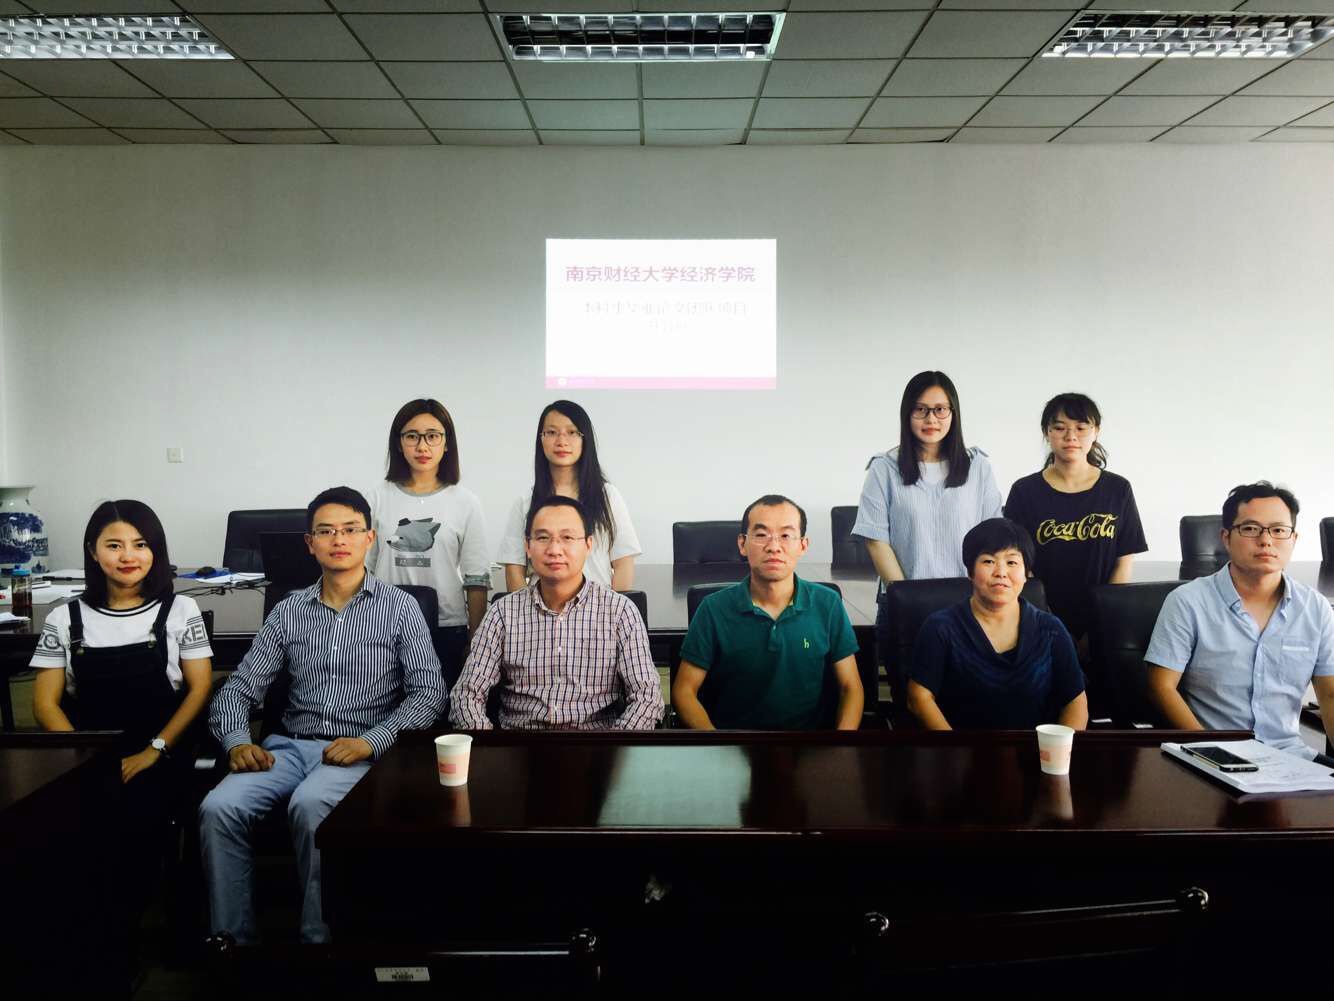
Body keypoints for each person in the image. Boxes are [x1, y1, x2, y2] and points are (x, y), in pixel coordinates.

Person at [199, 486, 444, 945]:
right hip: (289, 748)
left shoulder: (400, 608)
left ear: (369, 538)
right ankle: (231, 943)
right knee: (218, 807)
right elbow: (238, 689)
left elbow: (429, 694)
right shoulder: (289, 610)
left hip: (359, 753)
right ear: (309, 543)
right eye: (326, 531)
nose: (339, 540)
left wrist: (372, 740)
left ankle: (318, 943)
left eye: (350, 529)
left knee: (311, 804)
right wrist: (237, 742)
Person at [31, 500, 214, 915]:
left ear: (156, 551)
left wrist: (154, 751)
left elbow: (200, 689)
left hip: (161, 747)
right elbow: (44, 703)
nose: (128, 556)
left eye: (140, 544)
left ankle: (127, 921)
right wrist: (83, 760)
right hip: (87, 750)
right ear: (93, 551)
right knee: (58, 821)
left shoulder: (179, 610)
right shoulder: (64, 617)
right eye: (114, 545)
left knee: (136, 816)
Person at [1146, 482, 1334, 759]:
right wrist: (1210, 751)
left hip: (1291, 756)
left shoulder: (1316, 609)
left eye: (1279, 530)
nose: (1266, 540)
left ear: (1293, 539)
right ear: (1226, 537)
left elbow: (1329, 695)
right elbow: (1160, 687)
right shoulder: (1188, 602)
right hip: (1214, 754)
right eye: (1251, 528)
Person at [452, 496, 662, 730]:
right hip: (519, 743)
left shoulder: (620, 612)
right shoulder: (503, 613)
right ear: (528, 547)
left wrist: (615, 745)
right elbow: (466, 694)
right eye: (543, 538)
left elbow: (647, 698)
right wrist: (489, 745)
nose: (554, 550)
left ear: (588, 545)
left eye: (567, 538)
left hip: (599, 743)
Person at [852, 371, 1002, 678]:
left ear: (953, 413)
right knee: (909, 695)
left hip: (969, 604)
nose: (931, 418)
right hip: (904, 603)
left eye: (940, 409)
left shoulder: (978, 466)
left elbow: (992, 537)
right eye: (920, 409)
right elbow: (876, 540)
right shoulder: (884, 468)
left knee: (969, 694)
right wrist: (907, 599)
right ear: (907, 414)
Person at [673, 494, 863, 730]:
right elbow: (684, 691)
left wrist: (841, 746)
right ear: (742, 544)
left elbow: (850, 687)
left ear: (803, 545)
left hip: (811, 746)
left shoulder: (828, 604)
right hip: (733, 745)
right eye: (761, 535)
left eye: (786, 535)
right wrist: (718, 744)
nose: (774, 546)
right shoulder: (713, 609)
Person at [907, 517, 1088, 731]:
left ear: (1026, 573)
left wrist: (1059, 749)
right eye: (988, 561)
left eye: (1012, 562)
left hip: (1037, 749)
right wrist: (955, 747)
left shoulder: (1051, 629)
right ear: (970, 572)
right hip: (959, 749)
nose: (1001, 572)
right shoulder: (941, 628)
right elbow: (918, 697)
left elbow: (1076, 703)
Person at [1004, 392, 1146, 649]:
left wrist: (1102, 622)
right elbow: (1019, 565)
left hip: (1104, 622)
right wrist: (1049, 622)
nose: (1071, 436)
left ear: (1096, 432)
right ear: (1047, 432)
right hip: (1039, 619)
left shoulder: (1118, 489)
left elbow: (1123, 561)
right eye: (1060, 428)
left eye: (1081, 428)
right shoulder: (1024, 491)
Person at [368, 398, 489, 683]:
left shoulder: (465, 502)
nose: (422, 446)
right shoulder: (376, 497)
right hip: (384, 624)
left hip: (446, 627)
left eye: (433, 436)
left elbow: (476, 580)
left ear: (447, 443)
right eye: (412, 436)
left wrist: (475, 642)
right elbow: (364, 569)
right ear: (399, 443)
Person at [497, 400, 640, 593]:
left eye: (572, 432)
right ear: (541, 439)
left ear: (585, 440)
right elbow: (514, 569)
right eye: (551, 432)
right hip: (540, 608)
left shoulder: (608, 496)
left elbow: (623, 563)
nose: (561, 441)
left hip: (599, 606)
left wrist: (611, 608)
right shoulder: (525, 501)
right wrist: (526, 610)